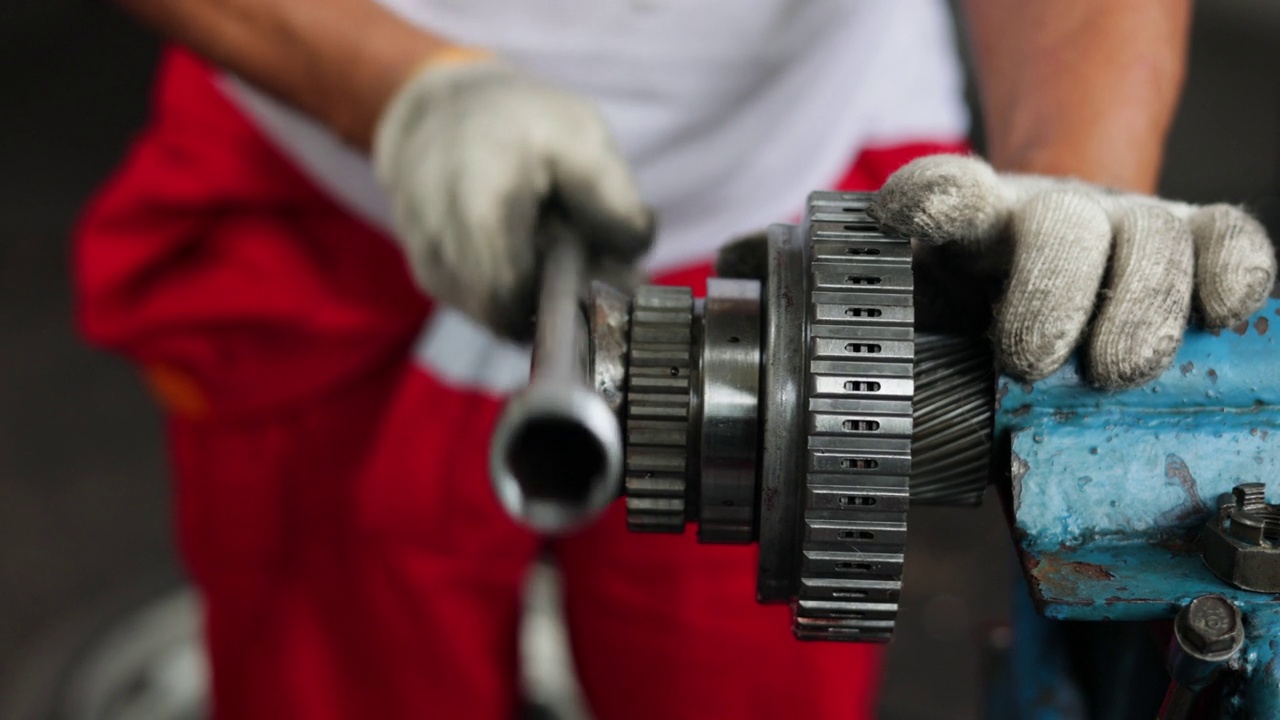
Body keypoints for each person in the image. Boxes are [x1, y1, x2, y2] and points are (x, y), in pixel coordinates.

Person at [74, 0, 1273, 718]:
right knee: (339, 673)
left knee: (730, 683)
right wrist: (401, 95)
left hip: (792, 187)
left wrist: (1072, 164)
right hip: (328, 163)